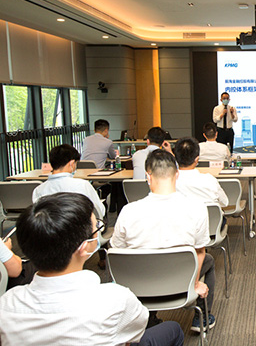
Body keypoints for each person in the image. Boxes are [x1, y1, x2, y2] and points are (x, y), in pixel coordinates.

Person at [0, 193, 184, 346]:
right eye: (96, 228)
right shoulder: (117, 299)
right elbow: (135, 332)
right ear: (84, 247)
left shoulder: (6, 304)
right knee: (173, 329)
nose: (97, 232)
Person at [111, 149, 217, 332]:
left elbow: (116, 252)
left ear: (147, 176)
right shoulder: (197, 208)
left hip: (139, 285)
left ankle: (149, 319)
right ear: (177, 175)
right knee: (209, 260)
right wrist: (195, 284)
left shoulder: (128, 211)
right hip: (182, 283)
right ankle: (201, 318)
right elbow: (200, 251)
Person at [32, 144, 105, 219]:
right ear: (72, 163)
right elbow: (100, 211)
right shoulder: (83, 185)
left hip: (51, 226)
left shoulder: (39, 190)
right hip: (79, 225)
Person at [174, 137, 228, 207]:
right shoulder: (209, 180)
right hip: (209, 214)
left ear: (175, 158)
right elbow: (224, 202)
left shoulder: (168, 181)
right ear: (197, 160)